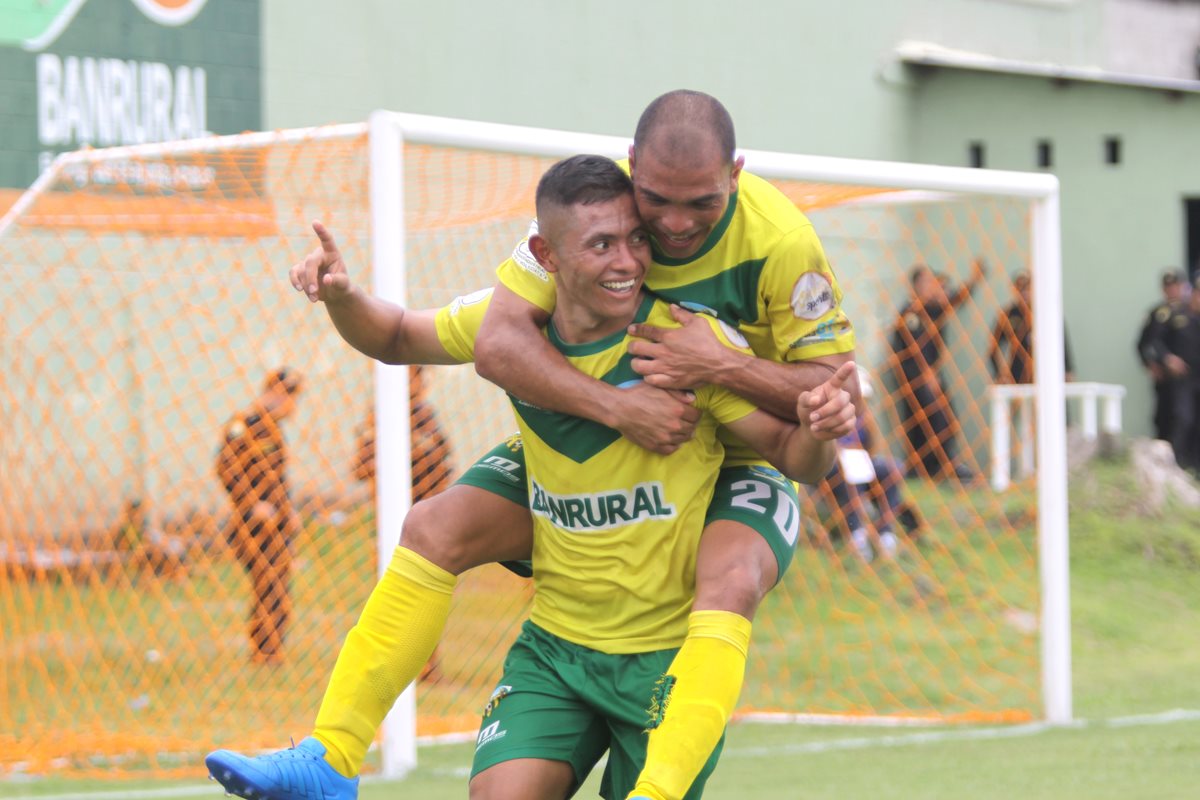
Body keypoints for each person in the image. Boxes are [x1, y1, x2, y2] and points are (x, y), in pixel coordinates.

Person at [206, 91, 858, 800]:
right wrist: (340, 295)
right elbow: (449, 337)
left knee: (730, 579)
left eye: (696, 205)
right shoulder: (588, 203)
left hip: (734, 436)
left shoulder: (737, 288)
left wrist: (725, 371)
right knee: (432, 526)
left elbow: (812, 424)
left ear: (735, 173)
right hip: (573, 584)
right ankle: (328, 760)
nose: (664, 231)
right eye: (644, 215)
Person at [214, 368, 304, 664]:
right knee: (267, 582)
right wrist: (253, 504)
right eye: (291, 397)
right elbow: (226, 468)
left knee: (277, 583)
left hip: (276, 524)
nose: (293, 405)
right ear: (276, 393)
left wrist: (288, 511)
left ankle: (271, 649)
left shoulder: (275, 430)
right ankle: (264, 650)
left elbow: (276, 479)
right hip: (251, 524)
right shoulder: (244, 425)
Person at [887, 260, 985, 482]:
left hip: (931, 374)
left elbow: (957, 299)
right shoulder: (909, 312)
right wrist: (926, 373)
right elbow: (912, 347)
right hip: (914, 376)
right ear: (916, 286)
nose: (933, 286)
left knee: (943, 419)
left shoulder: (933, 309)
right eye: (927, 282)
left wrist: (974, 279)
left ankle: (938, 466)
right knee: (928, 420)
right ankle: (928, 467)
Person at [1143, 275, 1200, 472]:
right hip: (1181, 379)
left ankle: (1194, 468)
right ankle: (1176, 465)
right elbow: (1153, 341)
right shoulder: (1172, 314)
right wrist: (1167, 358)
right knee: (1182, 419)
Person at [989, 271, 1075, 385]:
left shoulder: (1048, 312)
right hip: (1018, 374)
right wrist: (1000, 373)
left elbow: (1062, 340)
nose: (1024, 292)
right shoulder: (1008, 314)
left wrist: (1067, 369)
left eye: (1028, 287)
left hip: (1047, 372)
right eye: (1020, 288)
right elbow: (993, 347)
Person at [1136, 268, 1188, 441]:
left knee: (1188, 420)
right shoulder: (1157, 314)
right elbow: (1144, 343)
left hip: (1191, 378)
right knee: (1166, 419)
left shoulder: (1191, 311)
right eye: (1168, 286)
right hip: (1168, 379)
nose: (1172, 290)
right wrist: (1151, 363)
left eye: (1175, 286)